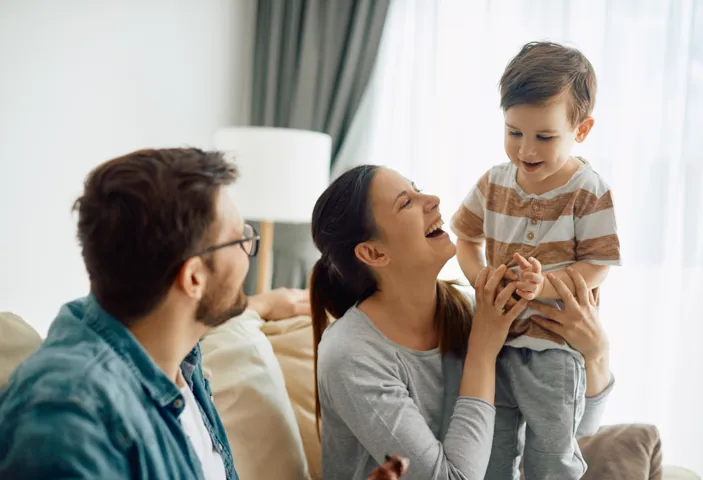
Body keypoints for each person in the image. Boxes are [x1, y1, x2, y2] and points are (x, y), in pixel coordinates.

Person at [0, 147, 413, 480]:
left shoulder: (179, 359)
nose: (248, 254)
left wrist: (264, 305)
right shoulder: (68, 421)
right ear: (193, 278)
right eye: (240, 239)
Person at [309, 164, 614, 479]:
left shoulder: (474, 311)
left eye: (418, 187)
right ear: (373, 253)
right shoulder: (351, 356)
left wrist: (594, 354)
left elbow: (572, 431)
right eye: (405, 203)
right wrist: (482, 349)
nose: (433, 200)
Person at [451, 41, 621, 479]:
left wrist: (542, 287)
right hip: (497, 343)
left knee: (550, 454)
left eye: (544, 137)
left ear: (581, 130)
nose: (526, 150)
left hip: (554, 347)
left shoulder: (589, 190)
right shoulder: (493, 182)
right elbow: (464, 237)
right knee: (493, 449)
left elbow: (599, 262)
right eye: (514, 132)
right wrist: (480, 278)